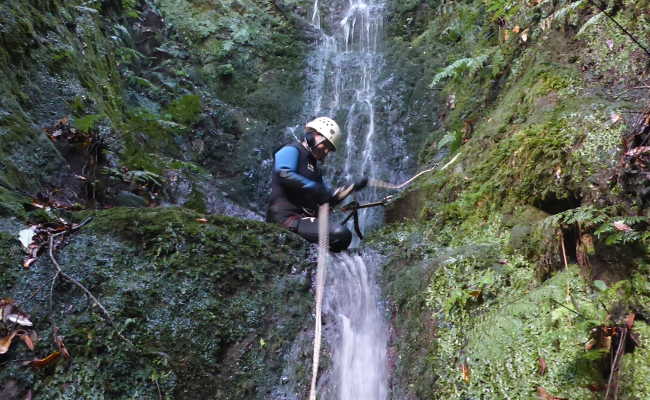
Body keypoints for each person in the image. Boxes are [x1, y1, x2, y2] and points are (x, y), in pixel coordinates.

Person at [267, 117, 367, 252]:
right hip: (286, 219)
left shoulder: (314, 170)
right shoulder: (291, 150)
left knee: (342, 236)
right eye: (325, 145)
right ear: (312, 136)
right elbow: (283, 173)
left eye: (329, 149)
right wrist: (314, 187)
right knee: (340, 234)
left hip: (302, 221)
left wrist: (351, 188)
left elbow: (326, 199)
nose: (326, 151)